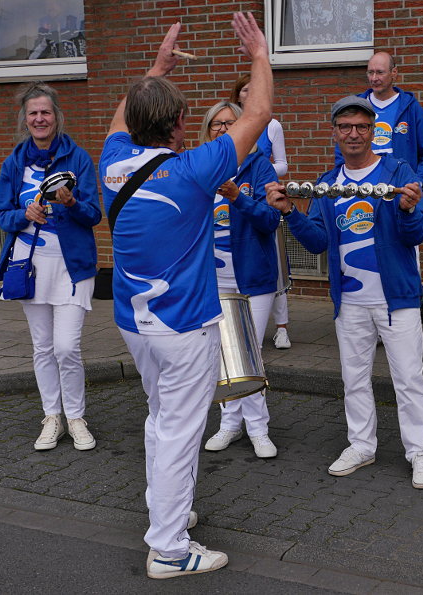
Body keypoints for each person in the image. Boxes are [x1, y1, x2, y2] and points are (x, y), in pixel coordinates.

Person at [98, 14, 272, 579]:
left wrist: (155, 69)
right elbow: (258, 115)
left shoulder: (112, 164)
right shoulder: (196, 168)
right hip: (183, 330)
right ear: (177, 125)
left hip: (135, 324)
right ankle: (169, 548)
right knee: (178, 431)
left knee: (159, 421)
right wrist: (260, 54)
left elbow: (120, 120)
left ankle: (168, 514)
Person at [267, 95, 423, 490]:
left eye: (362, 126)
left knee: (409, 379)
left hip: (397, 298)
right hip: (351, 302)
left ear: (374, 131)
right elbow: (317, 243)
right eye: (346, 127)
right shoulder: (327, 184)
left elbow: (418, 233)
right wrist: (290, 212)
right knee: (354, 378)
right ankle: (362, 445)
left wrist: (410, 210)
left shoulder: (398, 172)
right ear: (335, 134)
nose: (354, 133)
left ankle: (419, 452)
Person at [0, 81, 100, 452]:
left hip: (72, 267)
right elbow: (1, 215)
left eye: (46, 112)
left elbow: (94, 215)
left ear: (56, 117)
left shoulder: (79, 158)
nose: (40, 118)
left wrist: (70, 204)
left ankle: (76, 417)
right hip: (29, 267)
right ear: (25, 119)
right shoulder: (14, 162)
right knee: (42, 347)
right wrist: (24, 214)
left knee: (66, 347)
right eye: (33, 113)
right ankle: (52, 416)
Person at [198, 100, 280, 457]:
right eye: (215, 124)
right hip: (212, 278)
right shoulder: (200, 165)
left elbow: (270, 219)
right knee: (221, 353)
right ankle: (230, 423)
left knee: (250, 353)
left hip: (252, 277)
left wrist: (237, 197)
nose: (221, 129)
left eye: (229, 123)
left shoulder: (260, 165)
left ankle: (258, 429)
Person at [231, 73, 292, 349]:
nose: (249, 94)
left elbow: (283, 165)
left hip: (264, 193)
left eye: (255, 89)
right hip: (239, 197)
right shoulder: (231, 124)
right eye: (245, 90)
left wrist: (260, 170)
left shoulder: (272, 125)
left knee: (273, 264)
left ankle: (281, 326)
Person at [334, 51, 423, 187]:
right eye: (370, 72)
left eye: (380, 72)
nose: (374, 78)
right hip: (360, 187)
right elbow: (341, 149)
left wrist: (416, 182)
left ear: (394, 73)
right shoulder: (356, 106)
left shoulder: (411, 107)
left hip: (399, 190)